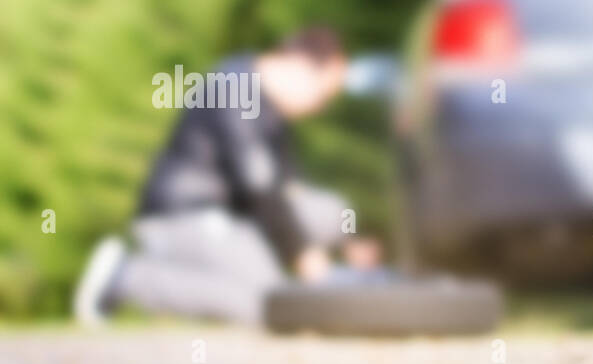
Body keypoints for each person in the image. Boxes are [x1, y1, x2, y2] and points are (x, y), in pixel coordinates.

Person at [73, 27, 381, 325]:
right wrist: (307, 260)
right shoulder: (235, 88)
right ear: (300, 66)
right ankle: (125, 276)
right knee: (269, 303)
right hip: (184, 216)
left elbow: (290, 191)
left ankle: (258, 272)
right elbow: (261, 191)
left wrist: (351, 238)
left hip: (235, 218)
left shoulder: (274, 113)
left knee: (333, 212)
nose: (319, 108)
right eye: (322, 96)